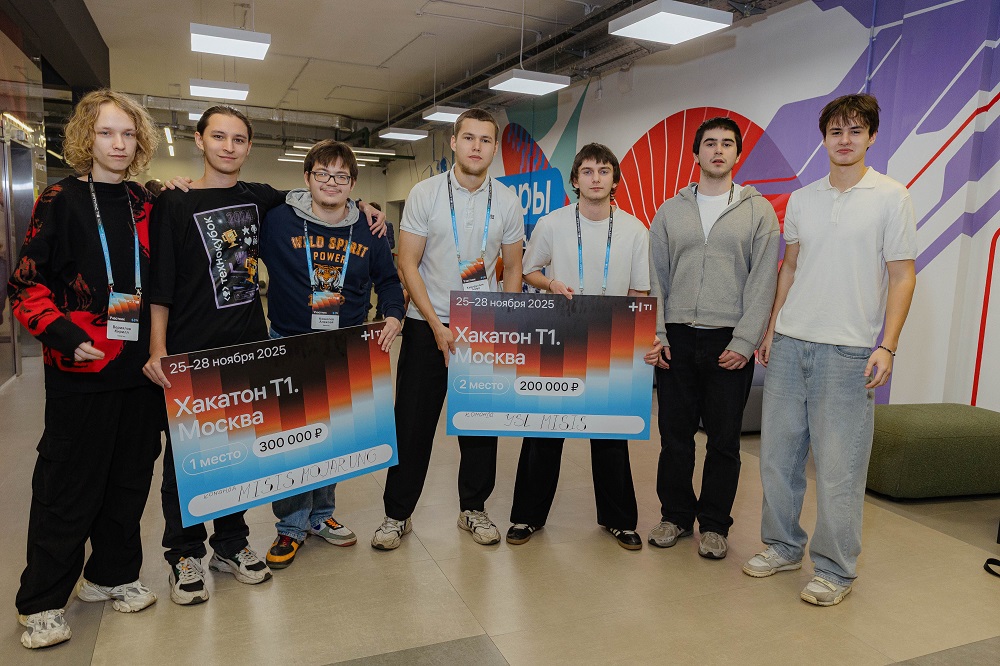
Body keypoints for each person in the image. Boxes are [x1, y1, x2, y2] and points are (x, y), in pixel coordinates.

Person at [742, 94, 916, 606]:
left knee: (840, 469)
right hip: (791, 342)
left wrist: (888, 345)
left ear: (872, 137)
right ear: (823, 139)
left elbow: (902, 276)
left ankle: (836, 570)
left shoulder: (892, 197)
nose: (845, 139)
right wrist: (773, 327)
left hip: (849, 352)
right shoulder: (802, 200)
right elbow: (790, 267)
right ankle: (782, 546)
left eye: (855, 131)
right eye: (836, 131)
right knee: (778, 458)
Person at [8, 89, 162, 648]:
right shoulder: (60, 199)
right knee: (69, 485)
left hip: (141, 371)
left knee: (129, 479)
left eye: (128, 134)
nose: (119, 144)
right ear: (86, 138)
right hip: (80, 370)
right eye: (106, 133)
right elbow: (25, 284)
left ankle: (110, 575)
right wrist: (65, 335)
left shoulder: (148, 201)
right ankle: (42, 601)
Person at [143, 106, 284, 605]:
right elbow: (160, 282)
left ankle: (231, 544)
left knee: (237, 451)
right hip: (189, 349)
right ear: (199, 140)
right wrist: (158, 346)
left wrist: (367, 209)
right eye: (218, 136)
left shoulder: (260, 197)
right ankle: (183, 553)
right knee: (185, 457)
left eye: (238, 139)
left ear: (249, 147)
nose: (229, 146)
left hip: (245, 348)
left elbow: (320, 198)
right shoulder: (174, 202)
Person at [372, 108, 524, 550]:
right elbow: (408, 263)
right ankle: (397, 515)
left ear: (494, 148)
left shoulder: (508, 201)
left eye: (486, 140)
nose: (477, 146)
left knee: (480, 426)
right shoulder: (426, 194)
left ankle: (473, 508)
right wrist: (437, 325)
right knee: (412, 425)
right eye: (469, 138)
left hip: (482, 328)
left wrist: (504, 324)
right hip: (426, 326)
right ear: (454, 142)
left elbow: (514, 268)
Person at [260, 140, 405, 569]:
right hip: (288, 342)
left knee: (333, 438)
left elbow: (389, 281)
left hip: (345, 346)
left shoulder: (371, 230)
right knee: (291, 442)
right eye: (322, 173)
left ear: (353, 183)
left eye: (341, 176)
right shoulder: (277, 219)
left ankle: (321, 515)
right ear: (307, 178)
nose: (331, 182)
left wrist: (394, 315)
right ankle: (291, 526)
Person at [644, 117, 779, 559]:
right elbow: (656, 277)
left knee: (724, 442)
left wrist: (745, 340)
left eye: (726, 144)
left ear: (738, 153)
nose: (718, 150)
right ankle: (676, 516)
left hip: (729, 342)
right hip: (677, 339)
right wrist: (659, 332)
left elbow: (763, 280)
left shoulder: (758, 211)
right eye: (709, 143)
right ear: (696, 153)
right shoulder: (670, 211)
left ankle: (716, 525)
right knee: (675, 438)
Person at [506, 143, 651, 550]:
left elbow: (639, 291)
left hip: (610, 339)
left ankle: (619, 520)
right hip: (559, 336)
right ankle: (527, 516)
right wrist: (552, 283)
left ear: (615, 180)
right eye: (587, 171)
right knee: (544, 432)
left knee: (610, 435)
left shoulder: (635, 230)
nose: (595, 179)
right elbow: (529, 271)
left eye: (603, 171)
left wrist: (639, 340)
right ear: (575, 180)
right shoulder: (552, 223)